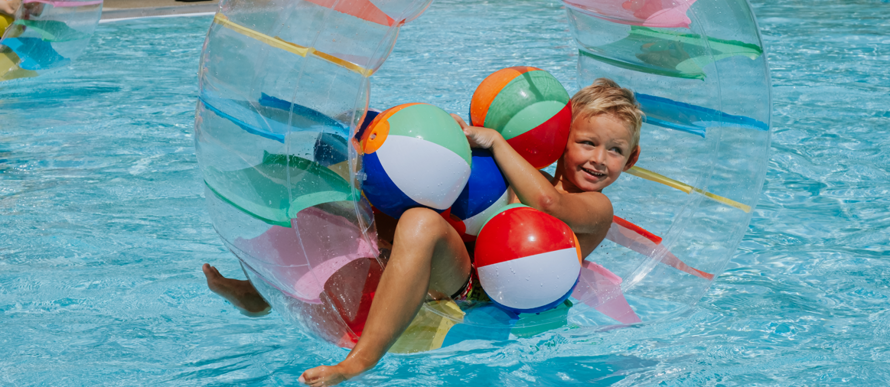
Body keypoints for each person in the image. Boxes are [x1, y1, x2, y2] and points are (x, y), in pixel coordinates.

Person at [203, 78, 643, 386]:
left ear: (632, 158)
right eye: (587, 143)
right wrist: (455, 143)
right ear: (560, 139)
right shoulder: (530, 174)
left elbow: (548, 206)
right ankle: (262, 293)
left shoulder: (596, 207)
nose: (599, 159)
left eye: (615, 150)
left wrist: (494, 141)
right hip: (465, 259)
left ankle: (362, 359)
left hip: (485, 291)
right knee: (368, 201)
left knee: (421, 223)